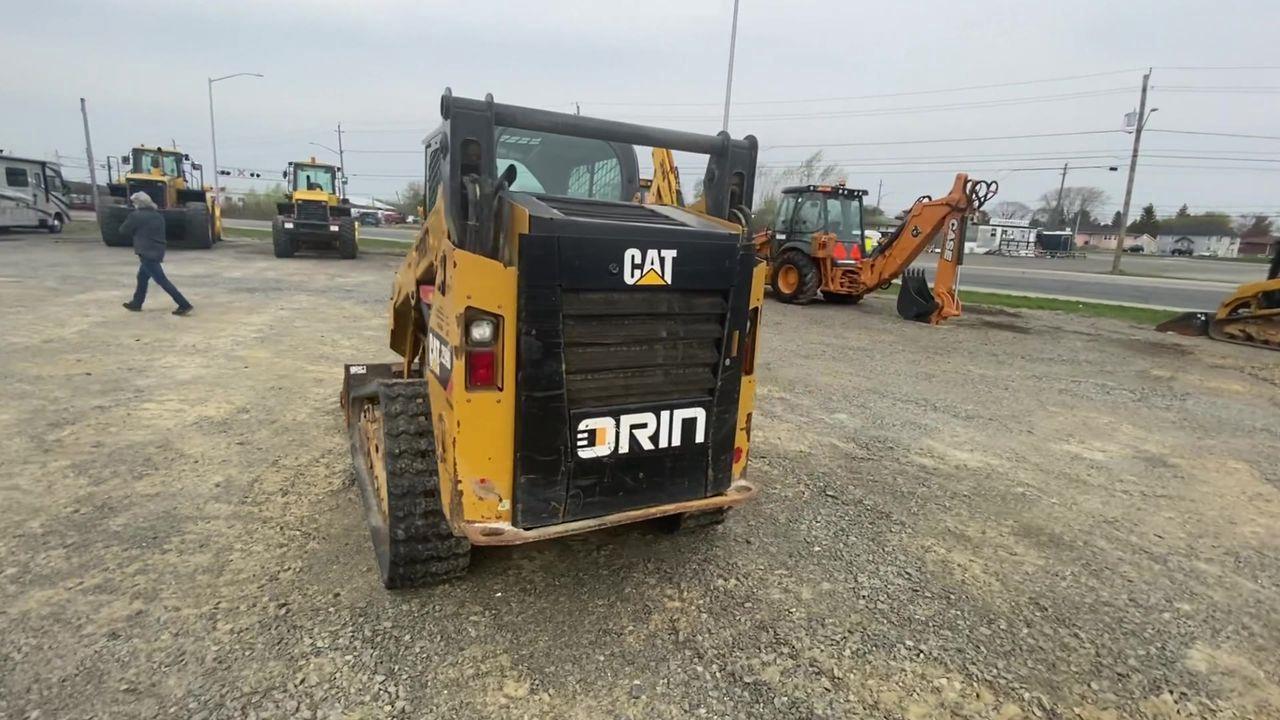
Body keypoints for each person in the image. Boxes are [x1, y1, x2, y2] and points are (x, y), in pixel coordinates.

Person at [120, 191, 194, 316]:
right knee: (142, 277)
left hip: (146, 252)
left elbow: (123, 230)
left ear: (138, 203)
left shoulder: (136, 216)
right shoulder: (157, 215)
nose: (133, 205)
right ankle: (137, 303)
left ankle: (184, 304)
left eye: (134, 202)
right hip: (158, 250)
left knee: (162, 280)